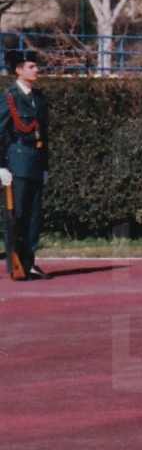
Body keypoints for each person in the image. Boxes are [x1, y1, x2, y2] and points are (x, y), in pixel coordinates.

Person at [0, 49, 50, 280]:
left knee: (34, 215)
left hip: (36, 161)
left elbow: (45, 133)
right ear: (19, 70)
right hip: (17, 160)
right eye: (31, 66)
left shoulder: (39, 97)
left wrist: (46, 165)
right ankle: (15, 263)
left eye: (35, 66)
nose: (36, 69)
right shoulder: (9, 96)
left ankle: (29, 261)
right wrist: (2, 166)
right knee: (17, 215)